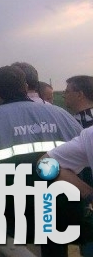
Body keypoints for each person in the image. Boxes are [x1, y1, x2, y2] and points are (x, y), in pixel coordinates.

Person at [0, 65, 82, 256]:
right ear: (26, 86)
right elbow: (85, 158)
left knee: (12, 250)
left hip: (11, 208)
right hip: (56, 202)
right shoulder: (61, 115)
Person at [62, 75, 93, 256]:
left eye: (67, 92)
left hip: (83, 193)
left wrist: (86, 192)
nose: (64, 95)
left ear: (79, 94)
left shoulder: (72, 123)